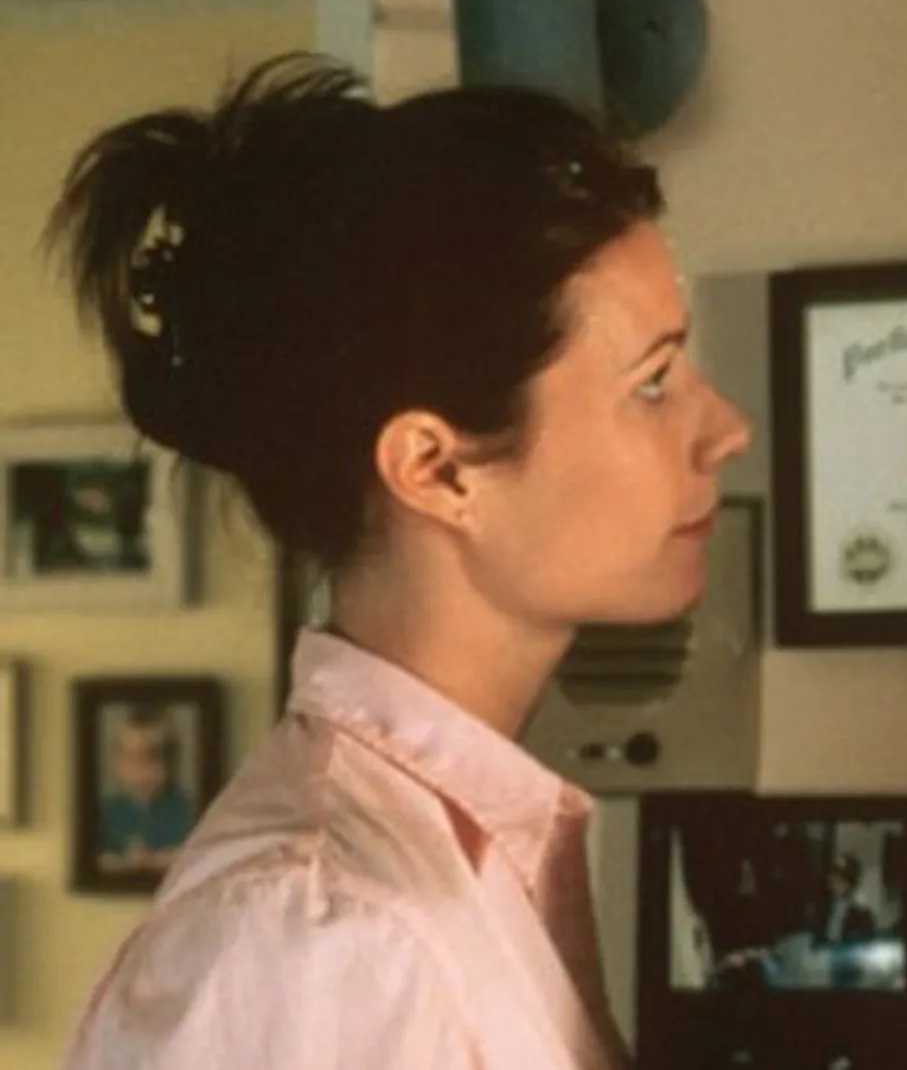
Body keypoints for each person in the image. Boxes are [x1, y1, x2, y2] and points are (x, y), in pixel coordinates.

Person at [49, 52, 748, 1069]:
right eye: (653, 382)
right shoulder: (326, 932)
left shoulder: (454, 857)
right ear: (435, 468)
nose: (726, 429)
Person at [96, 705, 195, 874]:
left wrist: (153, 860)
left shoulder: (187, 809)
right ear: (117, 763)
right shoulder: (105, 812)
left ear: (172, 762)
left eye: (153, 758)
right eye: (131, 759)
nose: (141, 771)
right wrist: (123, 862)